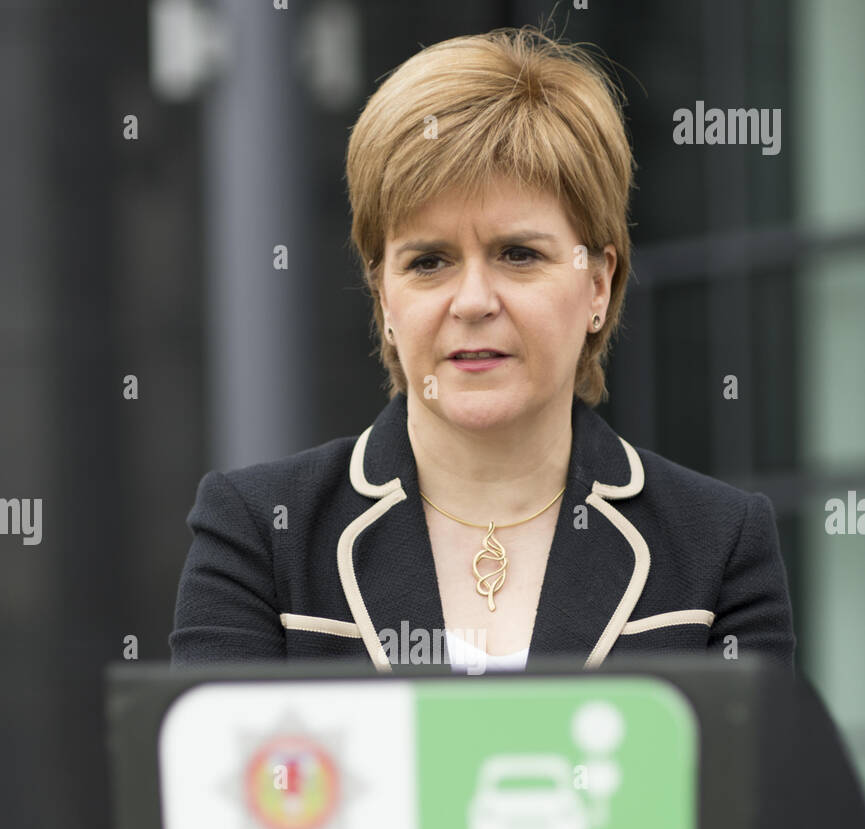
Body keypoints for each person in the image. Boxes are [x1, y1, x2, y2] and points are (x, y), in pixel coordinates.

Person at [170, 27, 795, 675]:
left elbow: (749, 776)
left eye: (518, 254)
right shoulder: (260, 534)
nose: (472, 301)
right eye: (429, 261)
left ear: (597, 285)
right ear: (384, 296)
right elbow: (214, 774)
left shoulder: (717, 543)